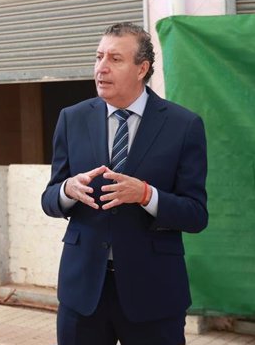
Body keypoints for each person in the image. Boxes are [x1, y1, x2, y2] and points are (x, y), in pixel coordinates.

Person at [41, 22, 208, 345]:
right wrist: (66, 190)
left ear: (142, 68)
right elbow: (49, 199)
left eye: (115, 59)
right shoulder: (71, 119)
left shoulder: (183, 125)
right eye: (98, 57)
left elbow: (196, 214)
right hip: (83, 293)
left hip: (153, 294)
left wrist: (146, 195)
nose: (101, 68)